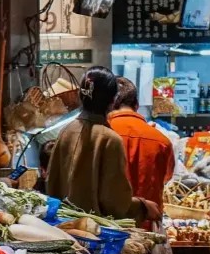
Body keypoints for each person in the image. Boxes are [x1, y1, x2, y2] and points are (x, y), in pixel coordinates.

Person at [46, 67, 159, 224]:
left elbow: (51, 184)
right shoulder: (110, 139)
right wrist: (143, 207)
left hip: (63, 227)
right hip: (95, 232)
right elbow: (115, 203)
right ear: (113, 101)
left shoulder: (66, 131)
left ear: (81, 96)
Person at [108, 77, 176, 224]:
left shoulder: (99, 134)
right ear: (137, 105)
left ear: (109, 104)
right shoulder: (162, 141)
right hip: (148, 228)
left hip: (108, 226)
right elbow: (167, 177)